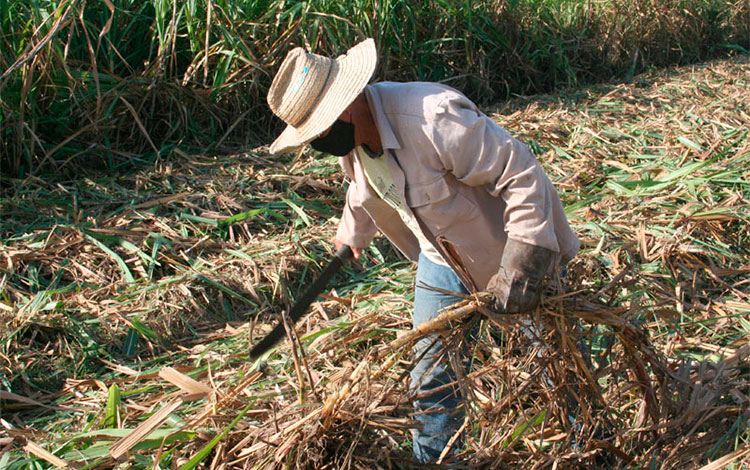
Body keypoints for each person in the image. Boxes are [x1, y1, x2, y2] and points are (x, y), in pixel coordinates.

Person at [265, 38, 579, 463]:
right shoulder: (353, 139)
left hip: (507, 253)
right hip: (441, 261)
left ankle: (588, 440)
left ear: (350, 99)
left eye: (322, 126)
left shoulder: (431, 117)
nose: (320, 139)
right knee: (431, 375)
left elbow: (519, 171)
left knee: (555, 356)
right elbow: (364, 191)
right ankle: (436, 461)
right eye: (313, 134)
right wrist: (350, 237)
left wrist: (524, 264)